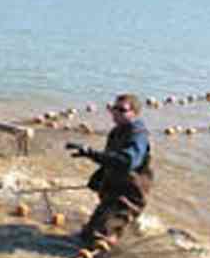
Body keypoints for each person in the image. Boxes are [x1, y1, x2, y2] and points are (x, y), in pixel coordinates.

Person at [65, 93, 153, 248]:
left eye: (122, 109)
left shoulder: (138, 135)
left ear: (134, 112)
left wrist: (91, 153)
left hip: (129, 196)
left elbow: (127, 162)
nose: (116, 112)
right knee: (86, 234)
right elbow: (110, 159)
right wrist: (97, 176)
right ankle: (125, 228)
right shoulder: (116, 132)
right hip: (113, 190)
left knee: (98, 238)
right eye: (114, 108)